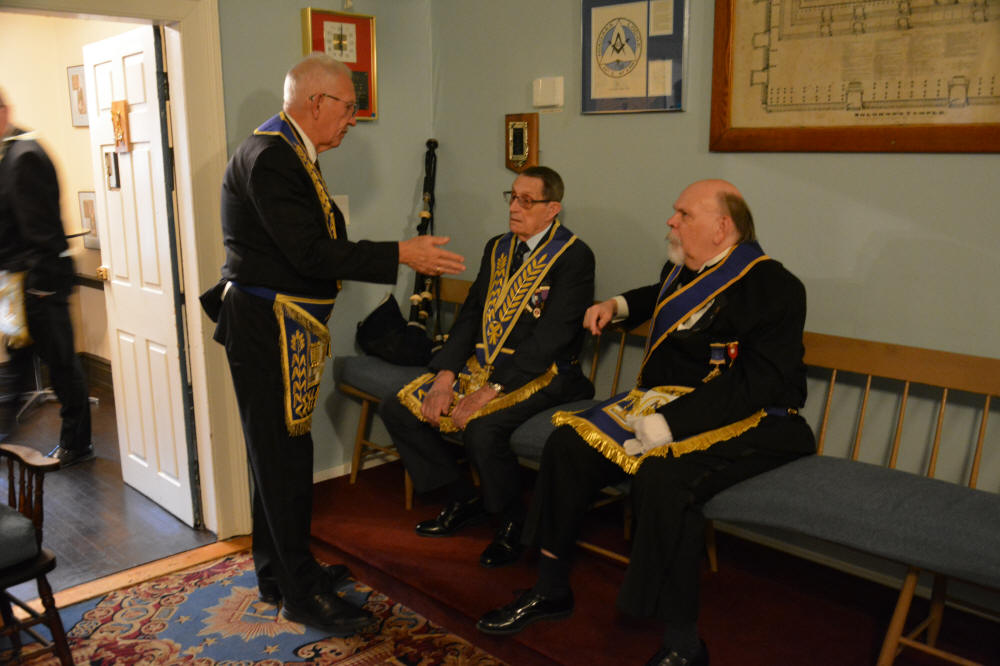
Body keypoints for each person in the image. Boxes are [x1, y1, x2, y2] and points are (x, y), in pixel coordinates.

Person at [476, 179, 816, 666]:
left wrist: (668, 424)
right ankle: (549, 589)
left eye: (684, 214)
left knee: (664, 479)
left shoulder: (774, 288)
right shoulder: (682, 270)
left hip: (758, 420)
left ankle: (683, 643)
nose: (671, 221)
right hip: (668, 407)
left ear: (722, 228)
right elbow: (659, 296)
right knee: (567, 445)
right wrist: (616, 306)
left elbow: (755, 385)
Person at [199, 54, 465, 634]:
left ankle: (280, 572)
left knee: (277, 456)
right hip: (268, 327)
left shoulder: (289, 149)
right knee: (283, 460)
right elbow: (310, 254)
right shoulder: (272, 157)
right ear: (315, 102)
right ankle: (299, 593)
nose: (353, 119)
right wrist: (401, 253)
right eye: (348, 107)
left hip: (280, 325)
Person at [379, 166, 595, 568]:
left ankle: (512, 523)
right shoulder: (498, 247)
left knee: (482, 428)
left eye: (526, 201)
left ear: (552, 209)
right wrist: (445, 375)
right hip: (484, 365)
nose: (514, 207)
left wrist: (489, 390)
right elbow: (471, 316)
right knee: (399, 408)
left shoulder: (574, 256)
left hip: (545, 372)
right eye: (512, 197)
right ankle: (463, 498)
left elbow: (552, 337)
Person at [0, 88, 93, 464]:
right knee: (18, 363)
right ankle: (4, 435)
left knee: (61, 364)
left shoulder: (24, 156)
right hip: (16, 284)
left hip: (39, 284)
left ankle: (77, 443)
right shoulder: (9, 153)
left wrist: (39, 287)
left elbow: (42, 230)